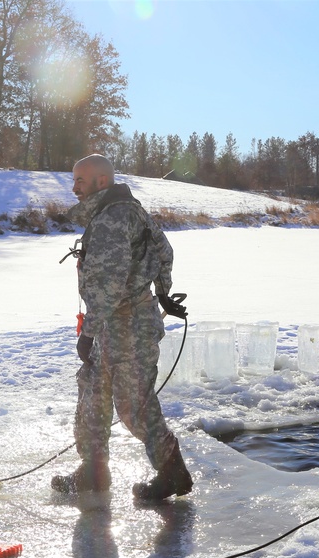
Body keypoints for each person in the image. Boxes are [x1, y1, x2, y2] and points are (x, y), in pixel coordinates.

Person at [51, 154, 193, 502]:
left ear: (101, 181)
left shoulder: (113, 217)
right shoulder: (125, 210)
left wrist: (88, 332)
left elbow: (109, 284)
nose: (74, 188)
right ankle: (93, 472)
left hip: (126, 325)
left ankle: (173, 474)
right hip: (116, 322)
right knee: (93, 393)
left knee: (133, 405)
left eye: (80, 181)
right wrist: (162, 292)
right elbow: (163, 251)